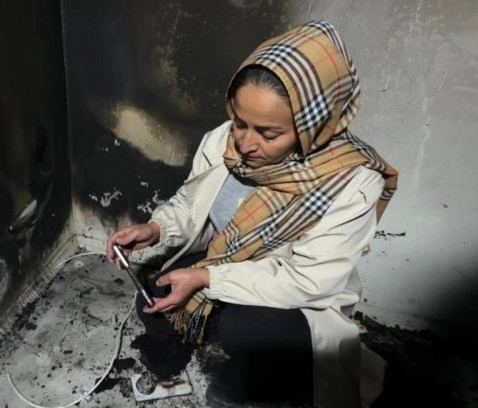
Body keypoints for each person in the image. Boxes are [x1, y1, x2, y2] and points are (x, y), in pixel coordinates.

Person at [106, 21, 398, 408]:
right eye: (240, 122)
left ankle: (259, 385)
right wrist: (157, 228)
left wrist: (207, 278)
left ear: (313, 124)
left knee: (248, 332)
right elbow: (192, 203)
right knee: (156, 296)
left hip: (296, 292)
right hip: (226, 260)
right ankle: (172, 365)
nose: (245, 143)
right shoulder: (224, 140)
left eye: (268, 133)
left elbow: (308, 281)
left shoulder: (351, 182)